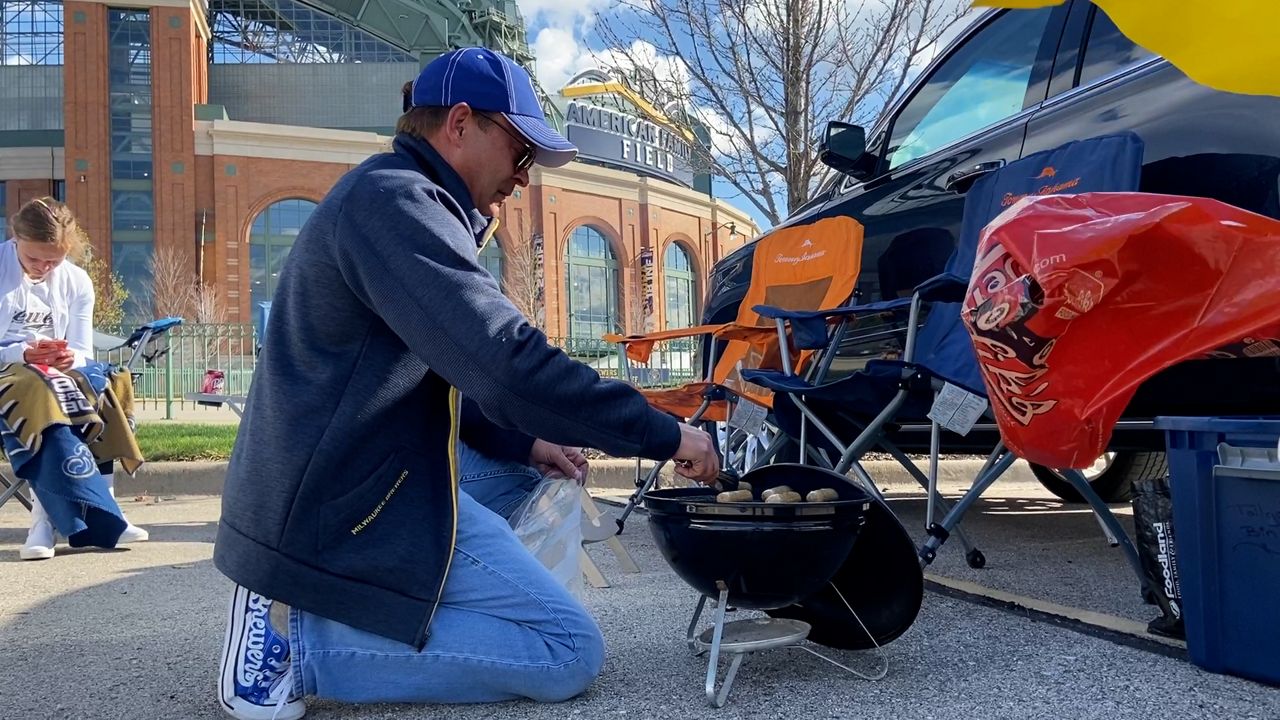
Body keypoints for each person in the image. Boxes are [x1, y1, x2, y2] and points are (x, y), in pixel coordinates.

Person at [213, 47, 719, 720]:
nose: (524, 177)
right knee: (565, 652)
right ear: (459, 123)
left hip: (370, 471)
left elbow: (438, 374)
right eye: (519, 153)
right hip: (329, 499)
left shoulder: (406, 200)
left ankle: (367, 594)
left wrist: (525, 442)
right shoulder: (393, 203)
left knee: (530, 476)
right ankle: (294, 636)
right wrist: (669, 436)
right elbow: (506, 367)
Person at [4, 197, 148, 560]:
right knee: (39, 388)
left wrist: (70, 357)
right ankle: (47, 519)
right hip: (12, 373)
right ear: (14, 238)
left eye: (53, 260)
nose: (42, 267)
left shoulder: (76, 280)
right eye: (33, 258)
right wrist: (22, 353)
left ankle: (104, 505)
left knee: (108, 380)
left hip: (54, 373)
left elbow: (82, 348)